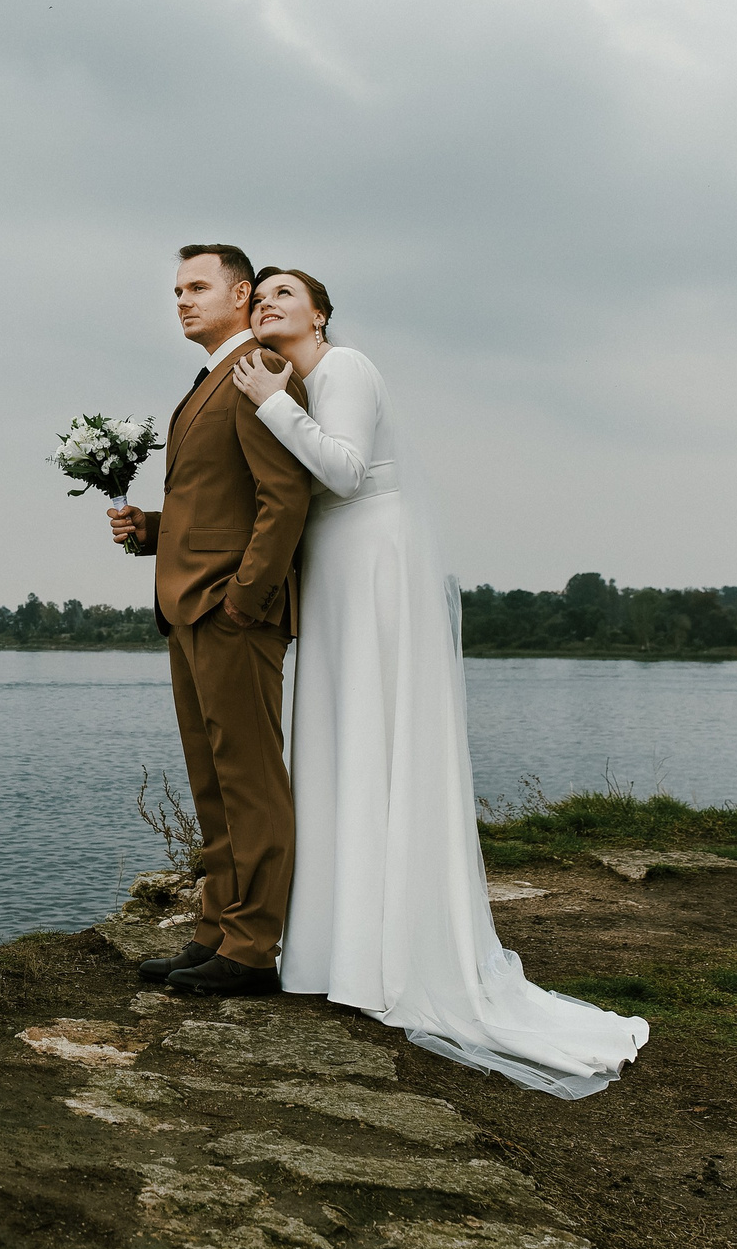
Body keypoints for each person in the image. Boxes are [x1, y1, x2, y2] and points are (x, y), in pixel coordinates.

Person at [227, 266, 649, 1097]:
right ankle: (335, 947)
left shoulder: (344, 369)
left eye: (285, 295)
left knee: (374, 727)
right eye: (261, 295)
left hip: (371, 558)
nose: (269, 303)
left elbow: (345, 473)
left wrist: (271, 403)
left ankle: (381, 952)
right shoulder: (302, 382)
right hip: (336, 563)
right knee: (341, 735)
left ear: (320, 315)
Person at [109, 245, 311, 996]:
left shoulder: (259, 371)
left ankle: (253, 948)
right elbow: (218, 503)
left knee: (250, 783)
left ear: (242, 293)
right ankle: (216, 931)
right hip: (187, 608)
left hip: (231, 612)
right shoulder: (206, 383)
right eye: (177, 290)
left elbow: (282, 498)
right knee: (213, 783)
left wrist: (244, 601)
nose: (183, 301)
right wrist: (152, 530)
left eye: (199, 287)